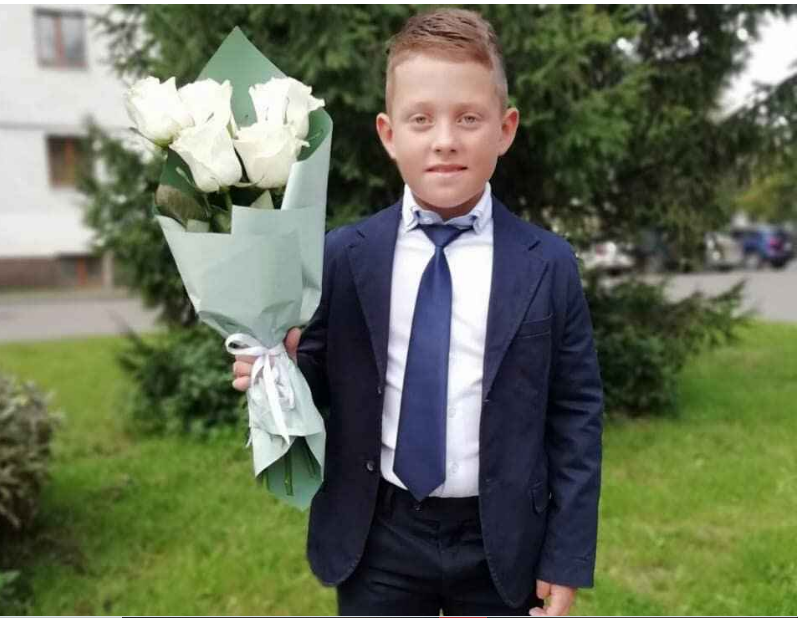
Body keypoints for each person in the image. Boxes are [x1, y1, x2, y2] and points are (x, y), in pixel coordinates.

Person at [233, 8, 603, 616]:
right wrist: (281, 368)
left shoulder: (549, 263)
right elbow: (320, 380)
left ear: (505, 128)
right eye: (421, 119)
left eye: (469, 118)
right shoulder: (344, 256)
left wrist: (565, 558)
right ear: (388, 134)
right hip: (379, 534)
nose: (445, 139)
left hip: (502, 540)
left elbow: (576, 415)